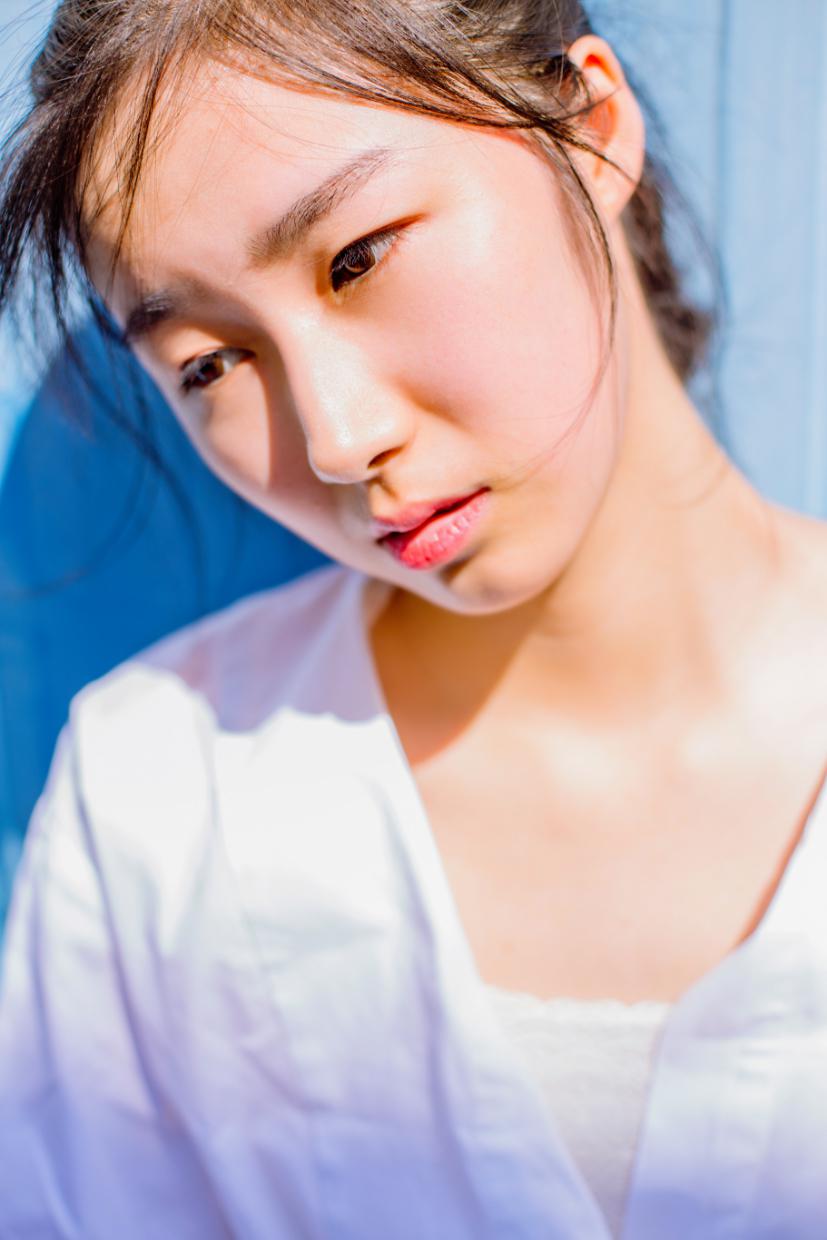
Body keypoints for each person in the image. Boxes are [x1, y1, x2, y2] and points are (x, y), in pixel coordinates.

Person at [1, 1, 826, 1236]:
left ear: (588, 128)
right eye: (209, 364)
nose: (336, 439)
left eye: (358, 258)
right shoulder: (160, 800)